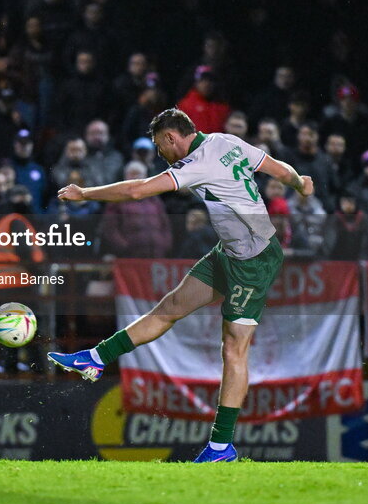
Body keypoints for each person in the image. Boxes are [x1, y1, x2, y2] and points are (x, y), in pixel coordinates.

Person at [48, 108, 313, 463]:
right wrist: (301, 182)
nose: (161, 154)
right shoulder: (226, 141)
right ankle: (95, 358)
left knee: (234, 349)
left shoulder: (198, 163)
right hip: (229, 252)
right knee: (169, 308)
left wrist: (85, 193)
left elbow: (139, 190)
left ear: (172, 137)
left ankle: (221, 446)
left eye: (160, 146)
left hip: (254, 262)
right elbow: (279, 169)